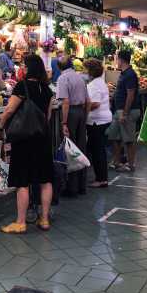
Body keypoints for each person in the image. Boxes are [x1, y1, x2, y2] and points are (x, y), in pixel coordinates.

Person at [0, 54, 55, 233]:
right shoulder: (47, 88)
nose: (22, 69)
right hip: (43, 138)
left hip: (24, 139)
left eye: (24, 66)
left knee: (23, 181)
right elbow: (48, 116)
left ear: (28, 69)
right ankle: (44, 220)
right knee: (45, 179)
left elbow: (9, 110)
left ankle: (20, 222)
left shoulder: (22, 86)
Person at [56, 55, 90, 197]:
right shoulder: (80, 77)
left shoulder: (63, 78)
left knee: (70, 149)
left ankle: (71, 188)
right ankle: (82, 186)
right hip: (81, 112)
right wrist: (85, 115)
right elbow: (88, 100)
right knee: (81, 149)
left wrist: (64, 122)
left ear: (59, 67)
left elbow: (65, 102)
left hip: (70, 114)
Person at [107, 48, 140, 172]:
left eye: (117, 59)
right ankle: (117, 162)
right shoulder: (123, 73)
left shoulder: (130, 74)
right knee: (114, 136)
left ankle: (131, 165)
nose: (116, 61)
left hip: (127, 112)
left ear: (121, 60)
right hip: (119, 110)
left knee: (129, 139)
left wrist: (125, 114)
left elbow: (130, 95)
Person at [83, 59, 112, 188]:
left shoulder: (94, 85)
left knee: (97, 150)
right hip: (103, 119)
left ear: (90, 71)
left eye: (85, 69)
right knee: (99, 150)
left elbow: (95, 103)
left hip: (97, 121)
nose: (84, 72)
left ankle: (101, 179)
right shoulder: (101, 82)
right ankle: (102, 178)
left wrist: (84, 108)